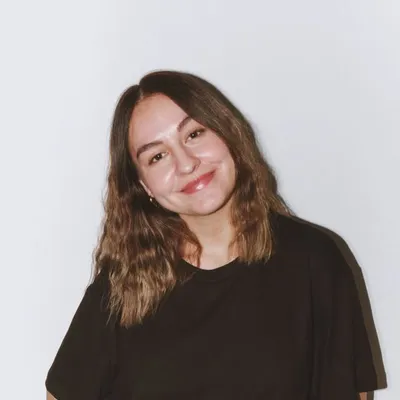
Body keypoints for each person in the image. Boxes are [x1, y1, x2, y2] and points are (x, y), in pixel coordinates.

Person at [45, 70, 382, 400]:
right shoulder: (125, 283)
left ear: (227, 131)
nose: (186, 163)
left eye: (194, 134)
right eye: (157, 156)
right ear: (144, 186)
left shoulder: (314, 260)